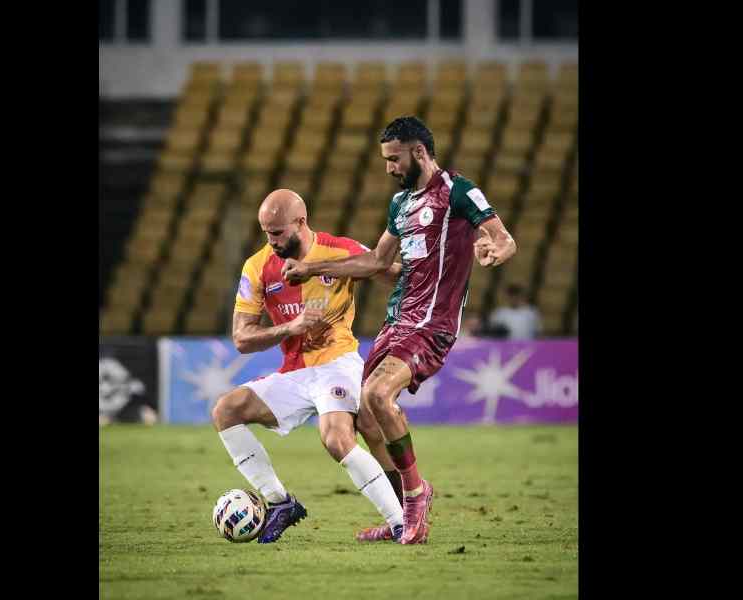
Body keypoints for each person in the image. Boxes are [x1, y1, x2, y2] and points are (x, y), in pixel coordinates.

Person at [282, 116, 517, 544]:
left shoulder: (458, 191)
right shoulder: (400, 204)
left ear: (419, 152)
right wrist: (313, 267)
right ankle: (401, 519)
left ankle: (416, 495)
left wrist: (493, 249)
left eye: (394, 159)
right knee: (367, 418)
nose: (389, 168)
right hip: (396, 322)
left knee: (376, 394)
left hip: (433, 323)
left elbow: (503, 237)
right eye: (386, 160)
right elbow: (375, 261)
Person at [212, 188, 407, 544]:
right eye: (266, 232)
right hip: (294, 371)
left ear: (301, 222)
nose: (270, 240)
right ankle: (279, 502)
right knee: (226, 410)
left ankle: (400, 523)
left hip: (338, 362)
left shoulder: (341, 250)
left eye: (278, 232)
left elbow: (393, 274)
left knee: (336, 438)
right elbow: (241, 339)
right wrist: (292, 327)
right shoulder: (257, 267)